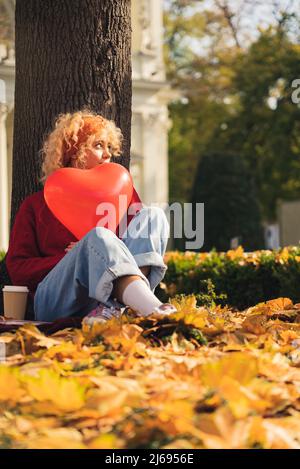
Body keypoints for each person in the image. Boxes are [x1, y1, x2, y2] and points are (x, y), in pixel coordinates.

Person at [6, 110, 176, 324]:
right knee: (98, 237)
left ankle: (119, 308)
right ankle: (152, 309)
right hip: (55, 300)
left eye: (109, 147)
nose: (108, 155)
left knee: (154, 216)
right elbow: (18, 268)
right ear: (73, 149)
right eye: (98, 145)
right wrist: (77, 255)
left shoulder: (122, 194)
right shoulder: (36, 204)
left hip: (104, 303)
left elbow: (136, 249)